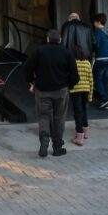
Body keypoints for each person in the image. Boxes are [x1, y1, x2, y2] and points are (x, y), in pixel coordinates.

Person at [25, 29, 79, 157]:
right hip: (61, 90)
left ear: (48, 39)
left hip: (42, 90)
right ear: (60, 40)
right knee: (59, 117)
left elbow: (27, 67)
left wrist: (32, 81)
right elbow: (75, 75)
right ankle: (57, 147)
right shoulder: (67, 53)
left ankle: (44, 140)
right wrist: (69, 86)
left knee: (43, 116)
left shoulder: (39, 51)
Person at [92, 13, 108, 110]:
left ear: (98, 22)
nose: (94, 24)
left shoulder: (98, 32)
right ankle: (105, 101)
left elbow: (96, 45)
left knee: (96, 78)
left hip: (101, 58)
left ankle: (104, 98)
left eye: (94, 22)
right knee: (106, 79)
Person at [70, 45, 93, 146]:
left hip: (76, 90)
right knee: (84, 110)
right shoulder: (87, 63)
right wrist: (90, 96)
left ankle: (79, 136)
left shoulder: (73, 63)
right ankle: (85, 132)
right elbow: (91, 80)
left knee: (77, 112)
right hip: (86, 90)